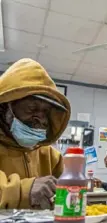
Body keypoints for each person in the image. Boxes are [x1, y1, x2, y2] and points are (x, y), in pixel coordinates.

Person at [0, 58, 71, 209]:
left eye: (46, 112)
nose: (41, 119)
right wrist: (22, 191)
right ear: (5, 107)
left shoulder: (52, 157)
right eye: (32, 109)